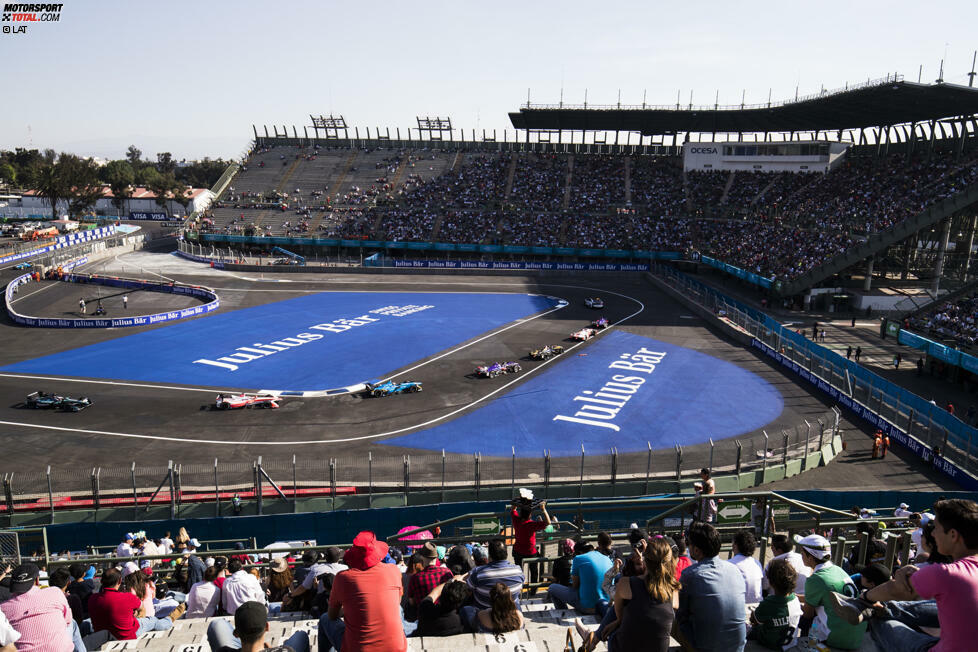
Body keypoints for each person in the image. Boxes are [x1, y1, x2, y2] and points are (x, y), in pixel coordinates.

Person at [828, 498, 978, 652]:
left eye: (937, 528)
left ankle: (865, 606)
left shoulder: (946, 573)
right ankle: (882, 608)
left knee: (876, 619)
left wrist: (865, 597)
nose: (932, 532)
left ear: (953, 535)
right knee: (941, 604)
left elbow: (896, 589)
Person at [583, 536, 679, 652]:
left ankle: (593, 639)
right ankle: (593, 638)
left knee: (616, 615)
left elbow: (619, 613)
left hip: (623, 647)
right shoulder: (674, 588)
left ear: (645, 561)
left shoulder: (626, 583)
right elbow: (670, 607)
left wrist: (618, 622)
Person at [319, 531, 406, 652]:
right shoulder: (393, 570)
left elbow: (332, 615)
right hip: (396, 648)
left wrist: (351, 608)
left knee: (324, 619)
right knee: (399, 610)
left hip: (358, 649)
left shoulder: (342, 578)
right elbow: (397, 601)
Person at [677, 522, 747, 652]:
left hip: (707, 647)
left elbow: (681, 615)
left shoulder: (690, 575)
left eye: (689, 543)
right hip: (737, 645)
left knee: (670, 616)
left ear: (697, 550)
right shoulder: (735, 570)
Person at [794, 533, 866, 649]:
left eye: (802, 552)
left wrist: (792, 604)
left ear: (810, 557)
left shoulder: (816, 579)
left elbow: (808, 613)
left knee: (807, 622)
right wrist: (796, 597)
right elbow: (824, 596)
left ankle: (809, 648)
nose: (801, 555)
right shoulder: (837, 569)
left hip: (838, 636)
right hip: (856, 634)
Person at [89, 566, 185, 640]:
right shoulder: (127, 597)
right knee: (153, 621)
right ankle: (170, 618)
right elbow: (141, 608)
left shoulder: (92, 599)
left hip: (103, 636)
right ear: (119, 581)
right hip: (128, 634)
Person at [0, 563, 80, 652]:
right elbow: (67, 621)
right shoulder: (55, 592)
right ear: (37, 580)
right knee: (72, 623)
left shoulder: (2, 608)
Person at [207, 600, 309, 652]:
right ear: (267, 627)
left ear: (236, 633)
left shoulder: (223, 651)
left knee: (217, 624)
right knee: (301, 635)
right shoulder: (285, 650)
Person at [749, 557, 802, 650]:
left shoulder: (768, 603)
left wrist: (753, 614)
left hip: (770, 644)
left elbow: (755, 620)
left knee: (750, 629)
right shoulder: (795, 600)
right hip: (791, 643)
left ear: (771, 582)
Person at [546, 539, 612, 615]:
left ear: (579, 552)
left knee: (552, 588)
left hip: (588, 608)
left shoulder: (578, 558)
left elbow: (575, 586)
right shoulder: (607, 558)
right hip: (605, 606)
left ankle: (564, 613)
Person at [466, 538, 524, 609]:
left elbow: (468, 588)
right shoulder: (518, 571)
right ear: (506, 553)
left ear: (489, 555)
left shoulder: (478, 573)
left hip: (485, 612)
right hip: (510, 611)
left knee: (466, 609)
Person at [510, 492, 552, 591]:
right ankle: (533, 590)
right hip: (530, 552)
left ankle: (518, 589)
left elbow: (513, 509)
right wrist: (543, 509)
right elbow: (548, 523)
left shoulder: (516, 520)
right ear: (530, 514)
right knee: (534, 571)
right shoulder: (531, 524)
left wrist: (518, 500)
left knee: (518, 571)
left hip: (518, 551)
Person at [405, 542, 452, 620]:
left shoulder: (415, 578)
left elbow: (411, 602)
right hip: (445, 618)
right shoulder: (447, 572)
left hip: (424, 619)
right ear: (436, 557)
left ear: (422, 557)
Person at [459, 582, 523, 635]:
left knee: (467, 609)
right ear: (509, 598)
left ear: (491, 599)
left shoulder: (483, 615)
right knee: (517, 605)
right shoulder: (519, 616)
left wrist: (488, 610)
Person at [730, 529, 764, 604]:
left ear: (735, 545)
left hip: (739, 609)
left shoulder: (729, 565)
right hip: (757, 606)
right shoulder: (757, 563)